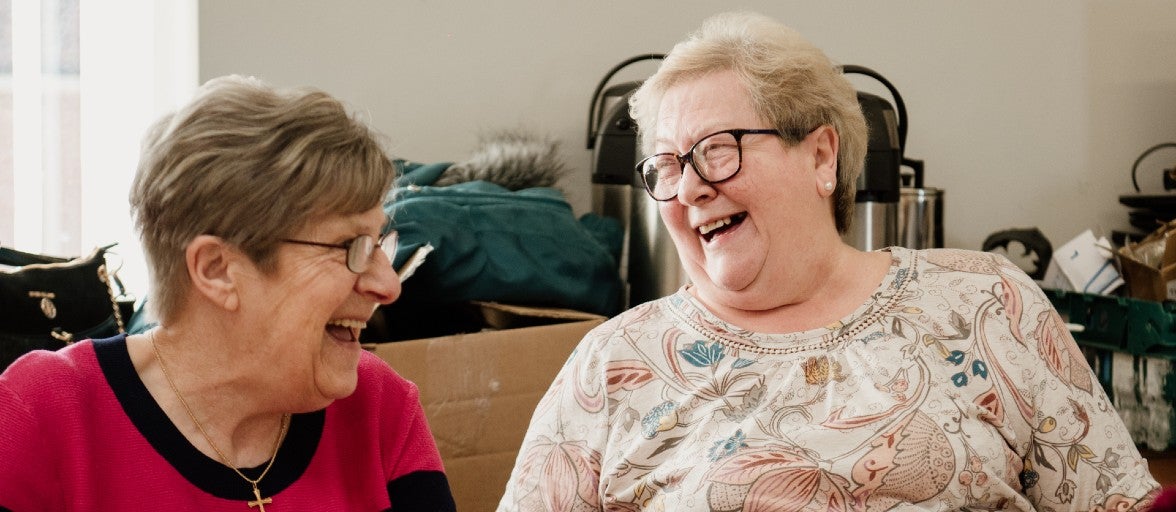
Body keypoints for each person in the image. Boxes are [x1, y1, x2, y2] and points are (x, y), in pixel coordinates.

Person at [498, 11, 1161, 511]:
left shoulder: (986, 301)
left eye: (718, 149)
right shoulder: (613, 365)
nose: (691, 186)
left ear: (821, 156)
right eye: (666, 166)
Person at [0, 75, 456, 511]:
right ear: (217, 271)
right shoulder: (42, 415)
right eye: (349, 247)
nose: (388, 284)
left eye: (379, 243)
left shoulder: (381, 408)